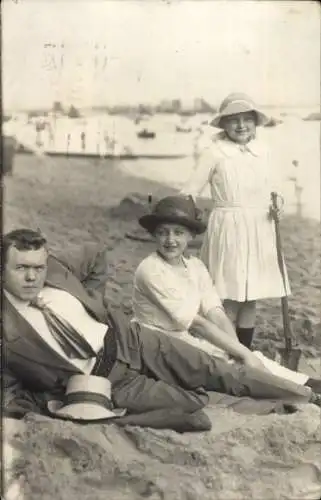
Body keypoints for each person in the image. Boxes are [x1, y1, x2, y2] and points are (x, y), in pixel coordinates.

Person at [3, 229, 321, 430]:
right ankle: (282, 402)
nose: (32, 278)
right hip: (107, 384)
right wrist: (57, 393)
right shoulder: (6, 331)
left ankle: (307, 396)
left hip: (132, 340)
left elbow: (95, 254)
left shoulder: (56, 270)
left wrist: (94, 304)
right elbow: (11, 394)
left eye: (37, 268)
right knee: (194, 406)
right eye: (21, 269)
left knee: (220, 371)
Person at [132, 195, 320, 389]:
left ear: (191, 235)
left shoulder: (195, 267)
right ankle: (296, 389)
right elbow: (197, 324)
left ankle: (304, 383)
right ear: (154, 235)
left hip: (181, 340)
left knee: (239, 358)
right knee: (229, 366)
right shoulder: (151, 270)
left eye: (178, 232)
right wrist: (242, 354)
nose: (170, 240)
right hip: (156, 346)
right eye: (163, 233)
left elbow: (215, 313)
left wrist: (238, 350)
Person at [180, 93, 289, 349]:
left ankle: (245, 351)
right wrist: (181, 218)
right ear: (223, 125)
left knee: (251, 297)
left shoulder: (264, 152)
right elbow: (190, 191)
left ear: (255, 122)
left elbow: (276, 189)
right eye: (234, 120)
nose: (241, 126)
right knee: (227, 295)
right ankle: (225, 350)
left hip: (261, 227)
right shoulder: (214, 152)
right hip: (228, 226)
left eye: (246, 120)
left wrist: (278, 207)